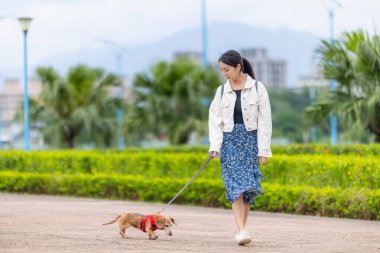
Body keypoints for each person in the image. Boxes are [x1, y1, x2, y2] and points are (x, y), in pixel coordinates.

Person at [208, 50, 272, 245]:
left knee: (247, 188)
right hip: (229, 143)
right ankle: (241, 230)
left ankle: (241, 231)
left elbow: (265, 121)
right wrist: (215, 146)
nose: (224, 73)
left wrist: (264, 149)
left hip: (250, 142)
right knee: (235, 188)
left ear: (238, 67)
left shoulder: (258, 88)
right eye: (221, 70)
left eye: (227, 69)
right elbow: (214, 120)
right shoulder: (221, 91)